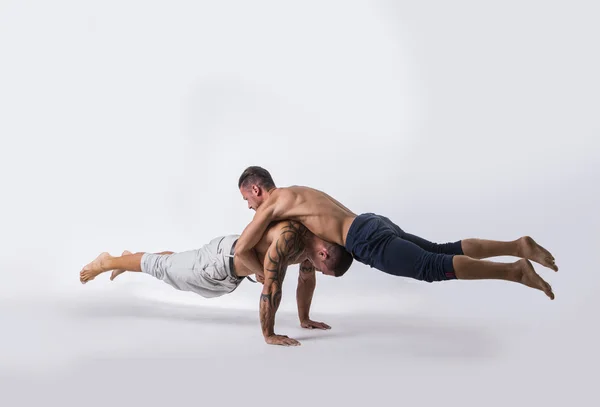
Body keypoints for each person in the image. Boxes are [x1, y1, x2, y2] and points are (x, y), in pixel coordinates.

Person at [235, 166, 558, 300]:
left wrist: (259, 273)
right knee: (440, 249)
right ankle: (516, 245)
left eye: (247, 199)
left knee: (432, 267)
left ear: (255, 188)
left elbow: (242, 247)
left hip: (363, 239)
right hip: (371, 222)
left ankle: (514, 271)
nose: (249, 207)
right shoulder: (296, 191)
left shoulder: (273, 205)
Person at [79, 220, 349, 346]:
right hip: (220, 262)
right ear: (323, 254)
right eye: (326, 269)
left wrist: (305, 318)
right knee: (166, 268)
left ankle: (130, 259)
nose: (320, 272)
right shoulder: (291, 239)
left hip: (229, 271)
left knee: (174, 266)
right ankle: (109, 261)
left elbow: (306, 278)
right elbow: (271, 289)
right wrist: (269, 335)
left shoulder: (312, 248)